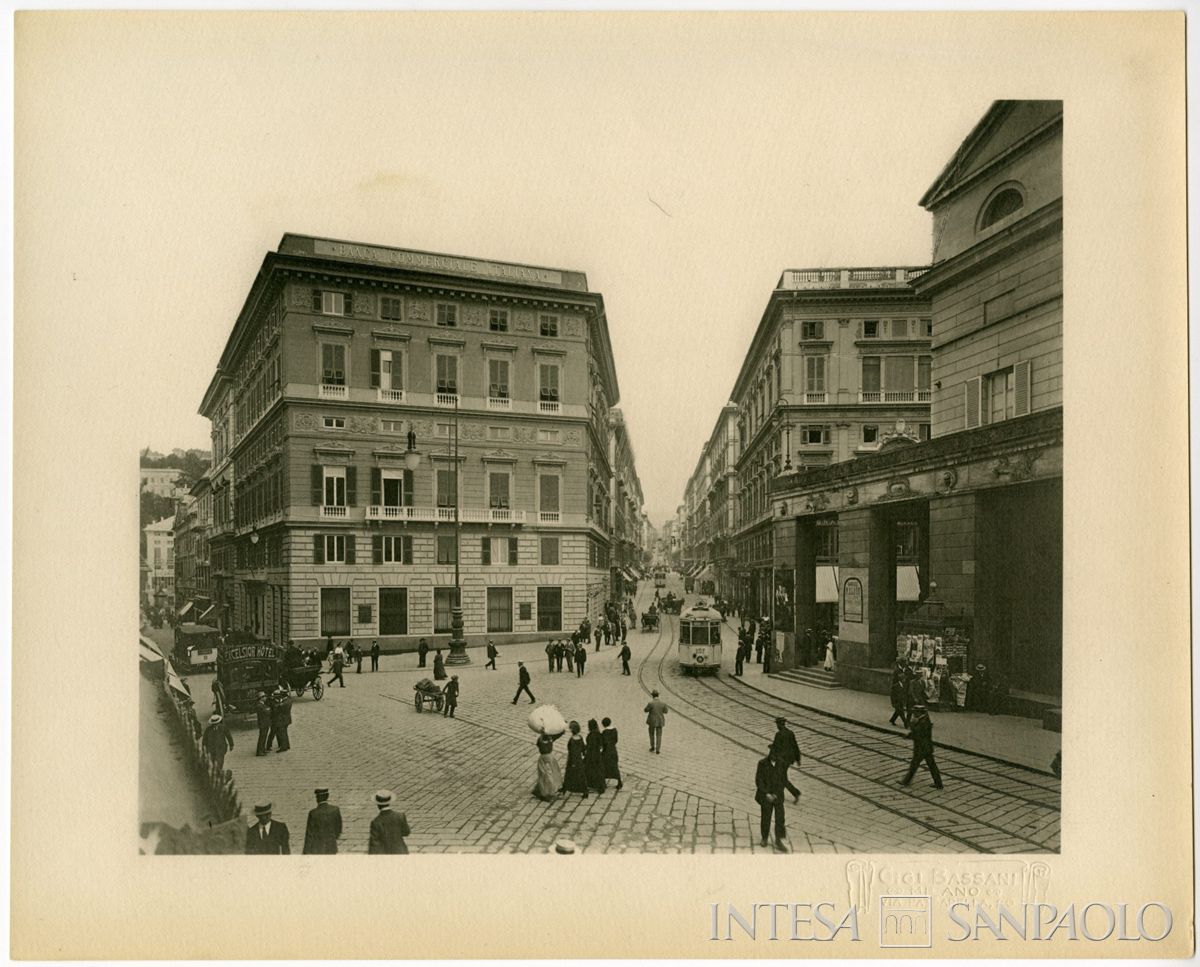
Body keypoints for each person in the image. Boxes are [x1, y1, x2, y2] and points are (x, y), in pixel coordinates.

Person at [754, 749, 790, 852]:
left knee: (780, 818)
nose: (775, 756)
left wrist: (775, 794)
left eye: (777, 754)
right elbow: (759, 780)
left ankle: (779, 840)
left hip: (778, 796)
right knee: (766, 817)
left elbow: (784, 781)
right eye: (773, 754)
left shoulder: (782, 764)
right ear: (770, 754)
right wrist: (767, 794)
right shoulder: (762, 763)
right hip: (766, 796)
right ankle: (764, 838)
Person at [900, 705, 943, 790]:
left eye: (915, 712)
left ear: (919, 713)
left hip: (922, 748)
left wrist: (912, 724)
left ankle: (906, 781)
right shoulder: (923, 720)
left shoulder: (923, 721)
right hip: (925, 748)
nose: (913, 714)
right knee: (931, 766)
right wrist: (908, 735)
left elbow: (918, 733)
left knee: (915, 765)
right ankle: (938, 783)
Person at [368, 790, 411, 854]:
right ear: (389, 802)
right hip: (401, 851)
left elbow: (374, 845)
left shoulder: (376, 822)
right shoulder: (400, 816)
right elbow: (406, 832)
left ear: (378, 805)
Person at [770, 717, 803, 802]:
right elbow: (795, 746)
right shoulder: (790, 733)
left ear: (778, 725)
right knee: (781, 776)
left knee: (780, 777)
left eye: (777, 724)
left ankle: (794, 793)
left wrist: (771, 755)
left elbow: (776, 747)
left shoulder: (778, 734)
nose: (777, 726)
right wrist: (798, 759)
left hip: (781, 760)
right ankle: (778, 794)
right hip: (788, 760)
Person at [302, 788, 342, 855]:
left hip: (317, 848)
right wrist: (332, 837)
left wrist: (306, 852)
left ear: (317, 799)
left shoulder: (313, 813)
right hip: (331, 846)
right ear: (327, 796)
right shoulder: (335, 810)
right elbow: (338, 829)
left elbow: (309, 834)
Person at [532, 731, 564, 801]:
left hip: (544, 758)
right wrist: (561, 732)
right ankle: (549, 791)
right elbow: (556, 736)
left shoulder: (540, 740)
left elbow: (538, 744)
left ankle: (541, 790)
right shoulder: (550, 739)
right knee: (551, 774)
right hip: (549, 759)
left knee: (544, 775)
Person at [562, 721, 589, 797]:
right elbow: (583, 748)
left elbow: (571, 751)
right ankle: (584, 790)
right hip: (579, 759)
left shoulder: (572, 740)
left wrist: (572, 762)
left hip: (572, 760)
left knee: (569, 774)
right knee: (581, 775)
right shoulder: (580, 738)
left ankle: (566, 787)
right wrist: (583, 754)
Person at [584, 719, 607, 795]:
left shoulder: (590, 736)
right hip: (597, 755)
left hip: (590, 755)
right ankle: (601, 786)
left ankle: (591, 784)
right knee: (598, 770)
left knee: (590, 769)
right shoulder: (599, 734)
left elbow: (588, 746)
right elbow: (601, 745)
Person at [601, 716, 623, 791]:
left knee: (604, 766)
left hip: (606, 751)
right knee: (615, 767)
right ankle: (619, 781)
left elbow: (603, 743)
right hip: (613, 750)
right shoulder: (614, 730)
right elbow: (616, 740)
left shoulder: (604, 732)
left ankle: (603, 782)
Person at [270, 686, 292, 752]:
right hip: (286, 719)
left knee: (282, 733)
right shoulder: (288, 700)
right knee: (284, 732)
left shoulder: (284, 702)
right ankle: (287, 745)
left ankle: (283, 747)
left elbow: (278, 708)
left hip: (283, 719)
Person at [889, 660, 909, 727]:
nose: (904, 680)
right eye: (903, 679)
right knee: (901, 711)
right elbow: (892, 695)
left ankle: (892, 720)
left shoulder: (903, 685)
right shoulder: (896, 686)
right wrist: (894, 702)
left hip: (900, 701)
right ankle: (905, 723)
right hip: (896, 701)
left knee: (898, 711)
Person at [255, 691, 272, 755]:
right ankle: (259, 751)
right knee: (262, 737)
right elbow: (267, 712)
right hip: (263, 723)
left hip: (265, 723)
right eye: (264, 696)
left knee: (264, 737)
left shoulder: (262, 704)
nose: (265, 698)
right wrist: (269, 710)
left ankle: (262, 749)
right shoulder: (259, 705)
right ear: (261, 698)